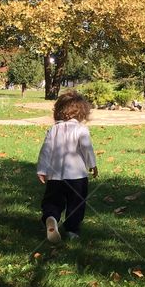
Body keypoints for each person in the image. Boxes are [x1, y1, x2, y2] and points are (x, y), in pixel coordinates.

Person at [36, 91, 98, 242]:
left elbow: (46, 150)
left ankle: (51, 217)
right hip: (77, 176)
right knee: (76, 203)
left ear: (58, 111)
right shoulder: (81, 129)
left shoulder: (53, 130)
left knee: (53, 201)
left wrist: (42, 169)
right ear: (83, 112)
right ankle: (72, 231)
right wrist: (93, 165)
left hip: (55, 175)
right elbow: (87, 148)